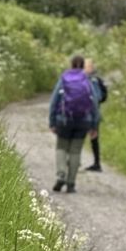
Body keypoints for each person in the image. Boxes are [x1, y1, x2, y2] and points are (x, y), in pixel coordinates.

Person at [49, 55, 98, 194]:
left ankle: (61, 175)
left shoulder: (64, 79)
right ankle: (71, 183)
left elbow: (54, 101)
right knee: (75, 151)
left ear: (71, 64)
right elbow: (94, 103)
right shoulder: (87, 80)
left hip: (64, 120)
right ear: (83, 66)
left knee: (61, 147)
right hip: (83, 121)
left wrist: (52, 121)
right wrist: (94, 125)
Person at [84, 58, 107, 172]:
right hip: (94, 112)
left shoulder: (92, 80)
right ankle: (96, 162)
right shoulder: (96, 79)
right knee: (94, 138)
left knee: (91, 137)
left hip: (89, 113)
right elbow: (102, 97)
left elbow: (98, 97)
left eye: (87, 66)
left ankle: (96, 163)